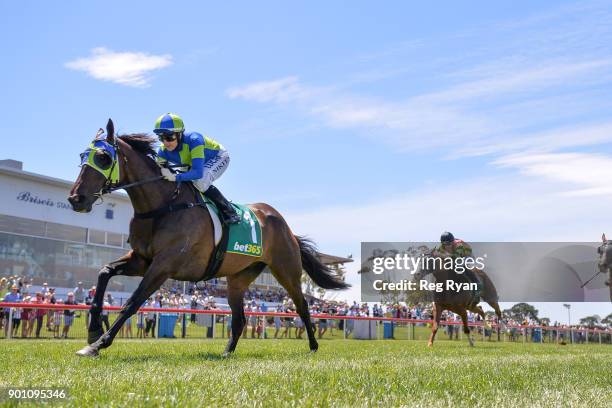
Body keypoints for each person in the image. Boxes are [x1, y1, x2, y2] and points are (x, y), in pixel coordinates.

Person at [154, 113, 240, 224]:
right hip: (192, 164)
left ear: (180, 134)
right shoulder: (162, 152)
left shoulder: (194, 140)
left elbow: (198, 173)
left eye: (169, 137)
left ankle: (229, 211)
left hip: (218, 157)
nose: (165, 142)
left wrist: (175, 177)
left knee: (201, 180)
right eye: (161, 138)